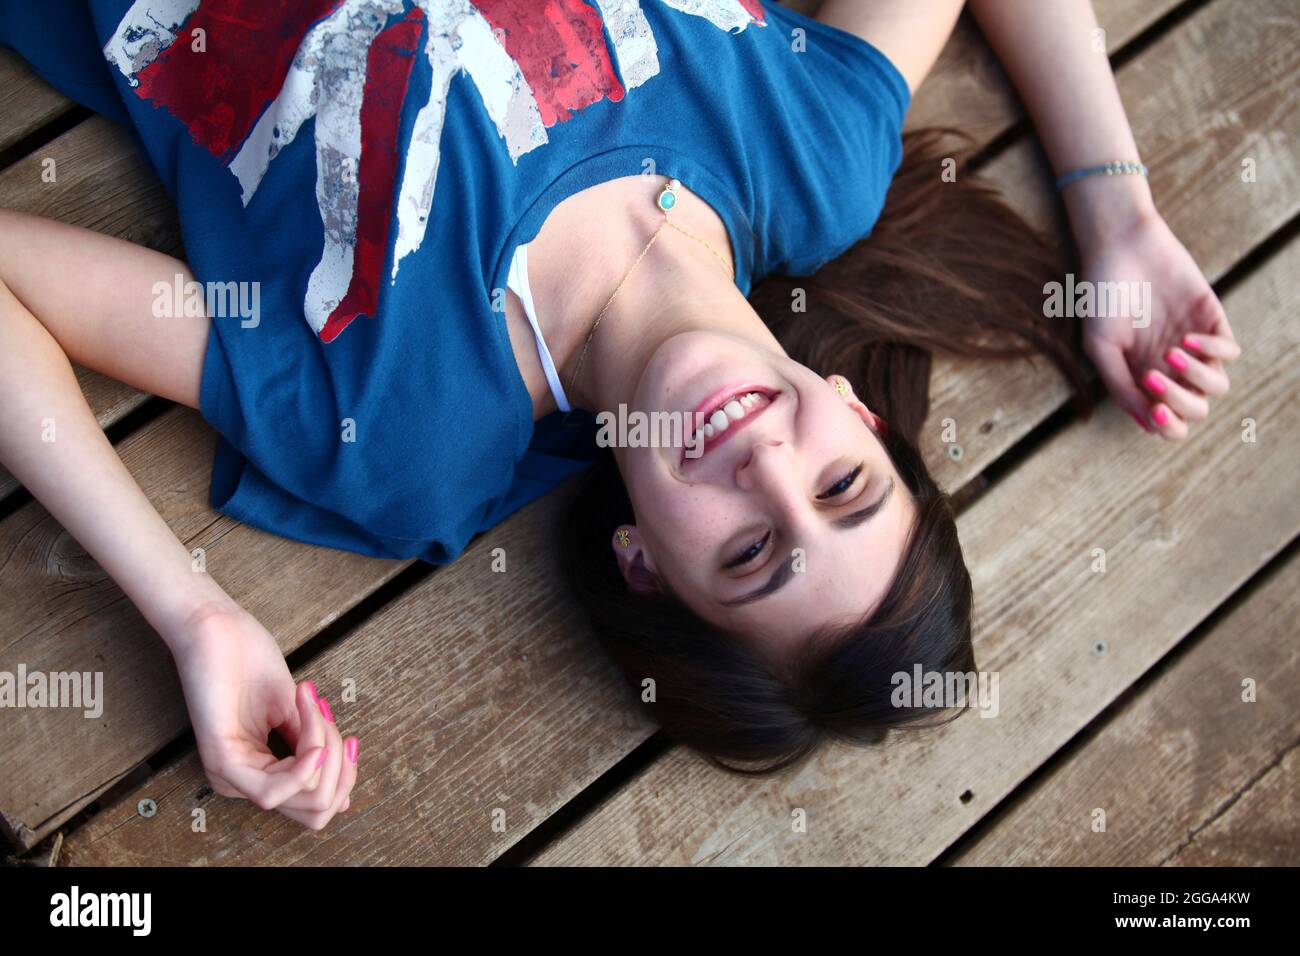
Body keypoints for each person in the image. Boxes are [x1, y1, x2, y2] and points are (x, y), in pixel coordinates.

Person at [0, 0, 1238, 831]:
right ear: (857, 411)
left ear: (643, 562)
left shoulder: (405, 422)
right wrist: (1114, 210)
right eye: (843, 484)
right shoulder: (812, 158)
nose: (763, 463)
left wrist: (194, 612)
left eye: (751, 552)